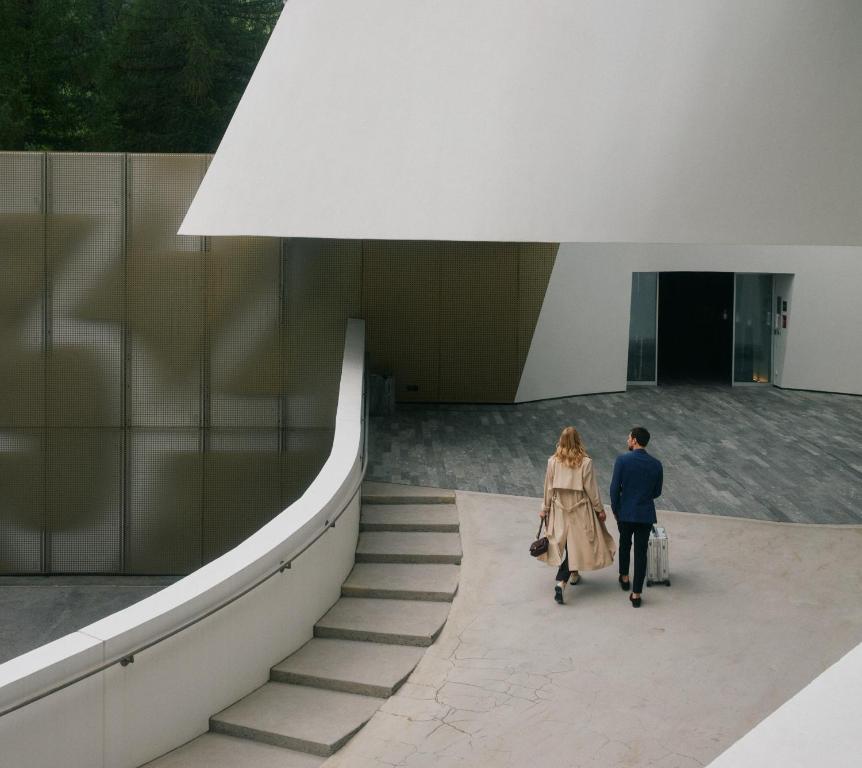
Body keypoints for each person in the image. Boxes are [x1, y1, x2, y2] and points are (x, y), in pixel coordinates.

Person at [538, 426, 616, 604]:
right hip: (580, 509)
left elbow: (548, 487)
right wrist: (599, 509)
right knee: (577, 543)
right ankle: (562, 581)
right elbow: (592, 489)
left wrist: (545, 508)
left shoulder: (552, 462)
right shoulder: (586, 462)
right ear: (578, 440)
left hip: (559, 509)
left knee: (565, 542)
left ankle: (574, 573)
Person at [609, 426, 663, 608]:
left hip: (625, 512)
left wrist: (616, 510)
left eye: (628, 437)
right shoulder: (656, 464)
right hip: (645, 514)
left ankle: (624, 577)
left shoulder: (623, 460)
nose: (627, 440)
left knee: (625, 544)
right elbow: (657, 492)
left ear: (634, 440)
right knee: (641, 553)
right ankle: (637, 593)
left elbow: (614, 489)